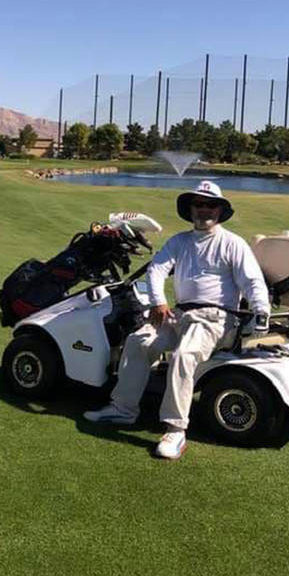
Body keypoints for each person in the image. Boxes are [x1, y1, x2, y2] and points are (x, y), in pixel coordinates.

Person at [84, 180, 270, 459]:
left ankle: (175, 429)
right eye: (199, 204)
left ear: (219, 211)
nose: (204, 210)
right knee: (139, 341)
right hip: (180, 315)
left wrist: (261, 312)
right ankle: (123, 409)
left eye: (210, 205)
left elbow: (253, 281)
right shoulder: (179, 241)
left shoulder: (232, 243)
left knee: (183, 355)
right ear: (191, 208)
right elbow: (157, 270)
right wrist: (159, 301)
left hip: (217, 319)